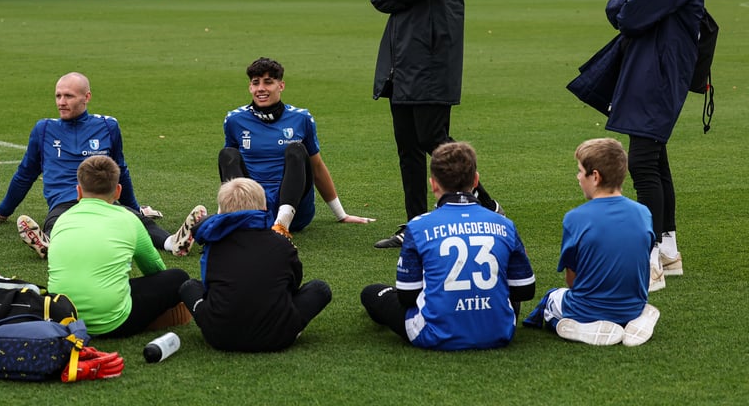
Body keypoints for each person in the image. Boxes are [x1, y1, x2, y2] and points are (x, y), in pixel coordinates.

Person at [584, 0, 717, 291]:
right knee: (654, 157)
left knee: (641, 160)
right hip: (649, 63)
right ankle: (669, 252)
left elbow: (632, 11)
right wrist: (626, 6)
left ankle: (651, 258)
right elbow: (623, 2)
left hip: (661, 66)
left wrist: (626, 6)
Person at [366, 0, 500, 250]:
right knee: (408, 146)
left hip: (431, 54)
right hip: (399, 55)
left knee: (435, 140)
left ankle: (486, 206)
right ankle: (414, 224)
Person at [0, 72, 200, 258]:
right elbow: (25, 174)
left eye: (68, 96)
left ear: (87, 97)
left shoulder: (108, 126)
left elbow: (120, 170)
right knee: (57, 224)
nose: (61, 102)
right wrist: (2, 212)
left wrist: (135, 207)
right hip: (64, 203)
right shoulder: (44, 129)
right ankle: (50, 245)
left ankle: (173, 243)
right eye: (58, 96)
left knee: (135, 222)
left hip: (102, 201)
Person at [360, 142, 535, 351]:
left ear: (433, 184)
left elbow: (407, 297)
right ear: (476, 180)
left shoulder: (417, 226)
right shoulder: (505, 224)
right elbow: (524, 290)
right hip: (499, 331)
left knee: (372, 293)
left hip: (436, 334)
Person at [523, 138, 659, 347]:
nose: (578, 177)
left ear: (595, 176)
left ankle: (584, 327)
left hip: (586, 309)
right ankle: (635, 318)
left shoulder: (575, 218)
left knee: (551, 302)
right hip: (633, 305)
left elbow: (572, 280)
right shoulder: (644, 213)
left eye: (580, 171)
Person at [219, 57, 373, 236]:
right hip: (255, 203)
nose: (261, 88)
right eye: (256, 83)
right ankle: (236, 216)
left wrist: (341, 214)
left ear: (281, 86)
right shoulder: (234, 119)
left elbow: (316, 168)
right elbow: (230, 174)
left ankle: (281, 224)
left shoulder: (301, 118)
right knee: (227, 154)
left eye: (268, 82)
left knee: (296, 149)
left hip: (296, 208)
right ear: (250, 87)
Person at [179, 177, 332, 352]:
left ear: (222, 211)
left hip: (219, 336)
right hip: (278, 336)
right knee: (320, 288)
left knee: (190, 286)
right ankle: (290, 327)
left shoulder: (212, 246)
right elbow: (293, 284)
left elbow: (208, 287)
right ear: (264, 207)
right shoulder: (281, 243)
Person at [46, 155, 191, 338]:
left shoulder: (61, 220)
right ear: (118, 191)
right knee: (178, 277)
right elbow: (154, 269)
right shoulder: (129, 219)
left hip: (63, 319)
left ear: (79, 191)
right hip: (112, 323)